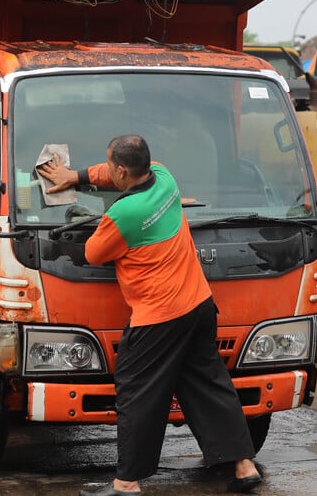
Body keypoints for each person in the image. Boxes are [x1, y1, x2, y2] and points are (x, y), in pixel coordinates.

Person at [38, 135, 263, 496]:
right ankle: (243, 464)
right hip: (199, 306)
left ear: (123, 170)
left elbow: (95, 253)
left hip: (159, 317)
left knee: (138, 393)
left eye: (110, 165)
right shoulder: (165, 177)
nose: (108, 170)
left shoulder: (123, 214)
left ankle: (127, 482)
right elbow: (112, 177)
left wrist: (87, 208)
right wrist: (76, 176)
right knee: (209, 386)